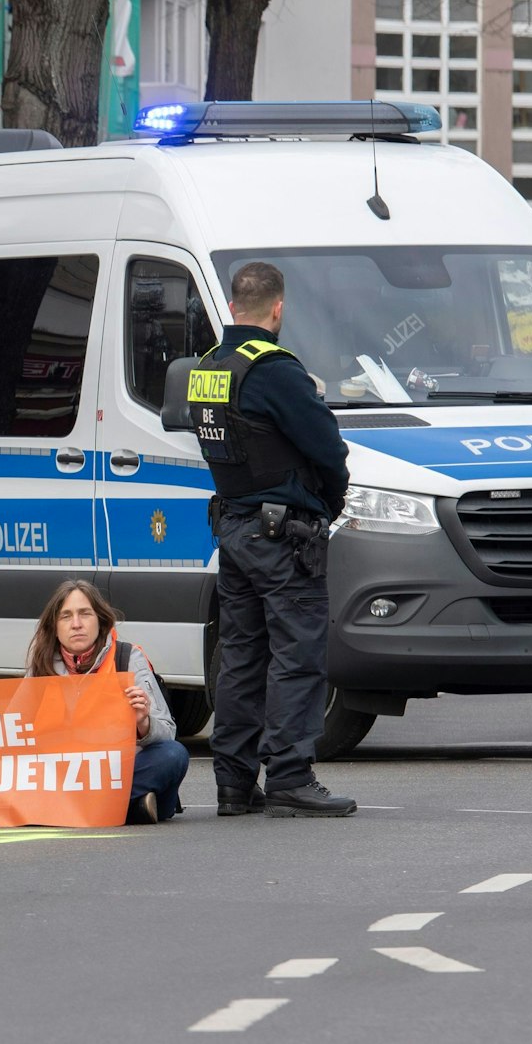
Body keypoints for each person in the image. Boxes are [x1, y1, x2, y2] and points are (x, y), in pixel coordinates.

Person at [188, 262, 355, 818]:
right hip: (283, 536)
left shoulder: (207, 367)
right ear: (276, 309)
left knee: (240, 656)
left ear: (235, 305)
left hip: (233, 527)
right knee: (296, 654)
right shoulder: (275, 370)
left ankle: (234, 783)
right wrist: (329, 503)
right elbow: (328, 447)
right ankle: (289, 773)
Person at [26, 580, 185, 824]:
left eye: (85, 614)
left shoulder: (127, 657)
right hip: (62, 774)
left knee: (173, 755)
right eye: (66, 616)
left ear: (100, 620)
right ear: (54, 626)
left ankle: (68, 808)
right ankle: (133, 808)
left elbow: (168, 733)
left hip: (118, 771)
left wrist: (144, 723)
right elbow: (13, 734)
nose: (76, 624)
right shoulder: (40, 666)